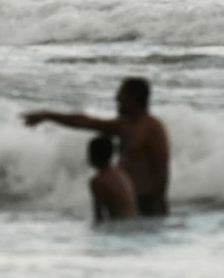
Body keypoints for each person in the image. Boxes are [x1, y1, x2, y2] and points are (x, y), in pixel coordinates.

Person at [23, 77, 171, 216]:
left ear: (134, 97)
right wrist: (48, 116)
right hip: (129, 203)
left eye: (121, 95)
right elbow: (86, 122)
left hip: (149, 206)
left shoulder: (153, 128)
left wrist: (149, 205)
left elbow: (162, 173)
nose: (117, 99)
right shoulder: (125, 125)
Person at [88, 135, 137, 222]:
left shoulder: (98, 181)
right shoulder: (121, 173)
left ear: (94, 155)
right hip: (133, 221)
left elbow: (99, 217)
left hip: (118, 225)